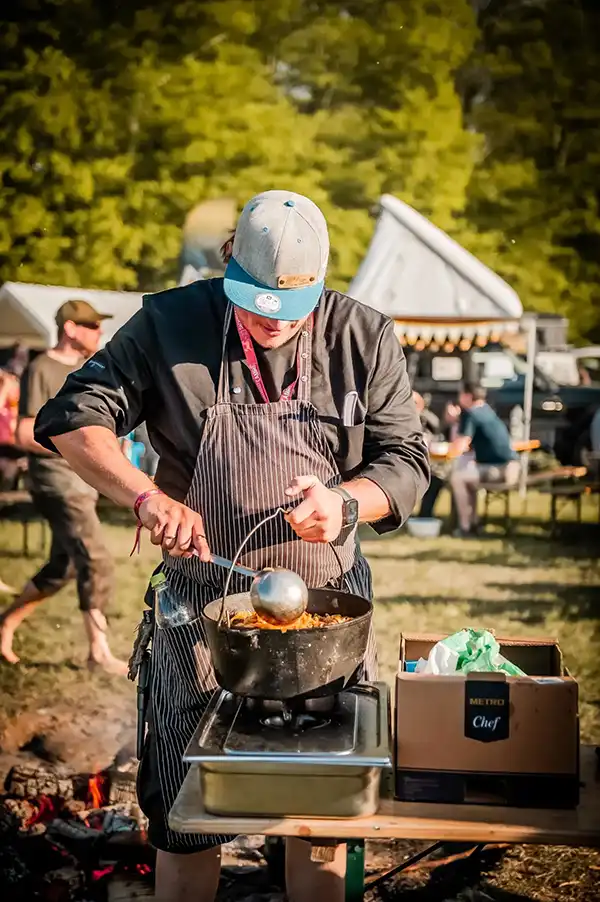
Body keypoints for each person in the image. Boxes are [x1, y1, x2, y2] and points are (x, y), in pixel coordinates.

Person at [33, 190, 429, 902]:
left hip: (326, 618)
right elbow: (71, 416)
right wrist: (146, 496)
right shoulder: (170, 323)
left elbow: (406, 461)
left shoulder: (363, 335)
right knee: (188, 815)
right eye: (253, 305)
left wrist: (343, 503)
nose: (272, 324)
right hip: (200, 611)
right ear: (227, 267)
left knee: (318, 816)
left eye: (290, 308)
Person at [0, 301, 126, 674]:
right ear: (70, 328)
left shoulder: (91, 369)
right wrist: (78, 448)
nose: (98, 333)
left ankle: (5, 623)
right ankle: (98, 653)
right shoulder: (41, 368)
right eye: (91, 326)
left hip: (82, 482)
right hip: (55, 480)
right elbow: (23, 431)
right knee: (96, 557)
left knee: (64, 566)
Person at [448, 383, 518, 536]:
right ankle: (473, 522)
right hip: (511, 468)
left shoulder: (471, 414)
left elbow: (459, 446)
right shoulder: (488, 411)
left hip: (500, 471)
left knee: (458, 478)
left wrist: (454, 422)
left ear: (467, 396)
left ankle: (465, 527)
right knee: (467, 479)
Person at [413, 391, 446, 518]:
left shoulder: (428, 420)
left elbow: (436, 440)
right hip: (403, 467)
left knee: (436, 479)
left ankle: (424, 517)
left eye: (415, 403)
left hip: (428, 464)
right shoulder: (396, 420)